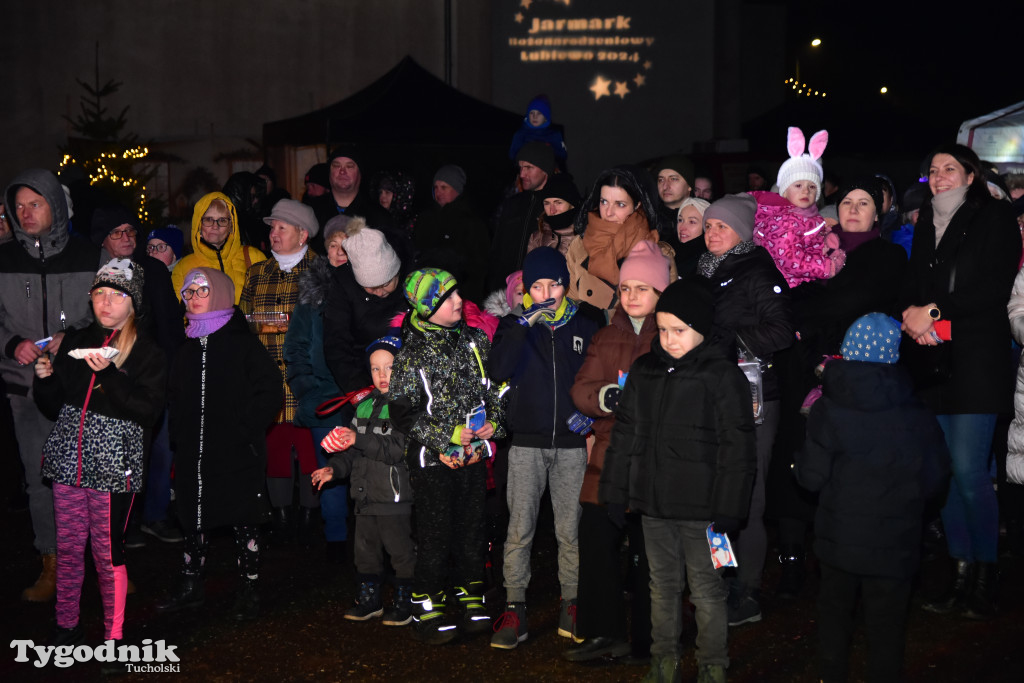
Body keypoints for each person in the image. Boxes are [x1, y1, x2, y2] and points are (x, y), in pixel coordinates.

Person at [599, 277, 756, 683]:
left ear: (701, 328)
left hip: (703, 510)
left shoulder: (722, 376)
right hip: (654, 505)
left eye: (679, 331)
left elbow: (737, 449)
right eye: (664, 329)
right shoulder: (645, 370)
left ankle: (712, 666)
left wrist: (729, 509)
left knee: (706, 590)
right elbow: (625, 435)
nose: (669, 339)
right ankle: (663, 662)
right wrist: (615, 492)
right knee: (661, 587)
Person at [769, 178, 908, 599]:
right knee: (794, 457)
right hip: (801, 370)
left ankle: (838, 563)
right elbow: (789, 297)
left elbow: (853, 300)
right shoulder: (814, 248)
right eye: (846, 200)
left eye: (863, 202)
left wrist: (806, 317)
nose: (852, 208)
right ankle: (791, 559)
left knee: (843, 467)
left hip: (855, 376)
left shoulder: (887, 255)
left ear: (877, 213)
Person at [899, 144, 1021, 620]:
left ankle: (986, 576)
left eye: (951, 168)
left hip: (976, 360)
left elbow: (991, 288)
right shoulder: (926, 220)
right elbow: (913, 284)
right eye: (933, 170)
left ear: (971, 176)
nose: (940, 176)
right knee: (945, 474)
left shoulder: (993, 219)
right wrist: (914, 317)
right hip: (932, 359)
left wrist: (933, 312)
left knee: (971, 472)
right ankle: (960, 571)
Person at [796, 313, 950, 683]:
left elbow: (811, 478)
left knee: (835, 620)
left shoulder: (828, 409)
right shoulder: (917, 413)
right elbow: (936, 477)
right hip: (895, 546)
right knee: (887, 631)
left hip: (839, 543)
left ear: (846, 353)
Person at [33, 258, 165, 649]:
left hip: (113, 465)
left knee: (108, 554)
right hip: (69, 462)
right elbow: (56, 405)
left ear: (133, 303)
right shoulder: (75, 341)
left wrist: (108, 376)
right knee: (70, 549)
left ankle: (114, 636)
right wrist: (46, 380)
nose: (106, 303)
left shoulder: (146, 350)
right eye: (99, 294)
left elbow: (147, 411)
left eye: (116, 295)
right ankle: (66, 625)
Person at [488, 247, 604, 650]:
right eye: (536, 287)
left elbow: (599, 376)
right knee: (519, 528)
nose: (546, 293)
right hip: (525, 444)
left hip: (573, 444)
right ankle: (514, 608)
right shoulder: (513, 325)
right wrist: (522, 325)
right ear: (525, 291)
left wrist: (591, 416)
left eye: (553, 284)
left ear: (565, 284)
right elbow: (498, 369)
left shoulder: (587, 321)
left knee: (570, 529)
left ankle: (571, 602)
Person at [565, 240, 671, 663]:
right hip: (607, 458)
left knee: (651, 556)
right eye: (626, 288)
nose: (631, 297)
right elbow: (581, 388)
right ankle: (601, 631)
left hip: (651, 461)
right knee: (596, 545)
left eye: (642, 289)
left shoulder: (670, 337)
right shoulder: (606, 335)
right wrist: (605, 397)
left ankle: (650, 639)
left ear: (661, 293)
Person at [387, 268, 506, 645]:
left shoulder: (474, 341)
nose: (458, 302)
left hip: (473, 458)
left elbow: (495, 389)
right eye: (446, 298)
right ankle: (427, 599)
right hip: (431, 462)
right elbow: (403, 411)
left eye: (457, 293)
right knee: (436, 532)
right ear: (424, 308)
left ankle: (470, 592)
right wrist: (445, 435)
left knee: (472, 528)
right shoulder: (410, 354)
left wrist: (495, 423)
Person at [160, 267, 282, 621]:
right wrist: (178, 438)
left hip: (236, 451)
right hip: (194, 454)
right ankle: (190, 583)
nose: (193, 299)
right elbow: (175, 395)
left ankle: (248, 588)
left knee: (243, 519)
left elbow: (270, 389)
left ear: (220, 293)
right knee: (194, 519)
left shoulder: (241, 342)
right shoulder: (186, 346)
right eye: (188, 293)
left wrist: (245, 428)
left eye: (200, 291)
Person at [1, 168, 100, 601]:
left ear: (54, 207)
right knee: (39, 477)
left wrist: (71, 338)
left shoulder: (88, 255)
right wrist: (10, 345)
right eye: (18, 206)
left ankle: (103, 563)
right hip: (25, 387)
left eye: (34, 204)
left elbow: (110, 313)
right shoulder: (2, 259)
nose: (25, 213)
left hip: (82, 383)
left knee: (93, 475)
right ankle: (52, 564)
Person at [697, 193, 794, 626]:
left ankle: (748, 591)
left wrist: (726, 339)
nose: (712, 232)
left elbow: (781, 331)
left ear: (742, 231)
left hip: (754, 398)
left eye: (722, 226)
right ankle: (720, 580)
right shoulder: (704, 271)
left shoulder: (757, 271)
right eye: (709, 225)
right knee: (717, 494)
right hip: (712, 393)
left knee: (749, 495)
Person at [91, 204, 185, 544]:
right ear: (104, 240)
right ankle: (119, 524)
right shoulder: (93, 274)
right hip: (107, 375)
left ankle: (155, 515)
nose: (127, 238)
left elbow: (171, 326)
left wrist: (172, 372)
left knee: (160, 449)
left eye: (131, 231)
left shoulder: (153, 271)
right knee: (118, 453)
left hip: (152, 376)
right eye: (118, 233)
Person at [311, 334, 415, 625]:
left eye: (389, 367)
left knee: (400, 552)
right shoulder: (364, 405)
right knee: (365, 553)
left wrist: (360, 438)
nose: (382, 375)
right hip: (365, 495)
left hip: (394, 496)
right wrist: (333, 469)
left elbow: (397, 450)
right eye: (375, 368)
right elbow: (351, 449)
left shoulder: (405, 406)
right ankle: (369, 599)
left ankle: (406, 599)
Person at [240, 199, 319, 541]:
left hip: (309, 377)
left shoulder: (321, 272)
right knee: (275, 448)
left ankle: (310, 516)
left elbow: (326, 326)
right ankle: (281, 517)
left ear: (302, 234)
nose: (272, 234)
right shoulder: (258, 272)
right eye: (271, 228)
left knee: (309, 447)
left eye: (280, 228)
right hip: (267, 375)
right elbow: (244, 321)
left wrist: (271, 324)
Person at [283, 214, 351, 560]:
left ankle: (375, 538)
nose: (340, 251)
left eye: (346, 243)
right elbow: (294, 346)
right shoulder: (312, 292)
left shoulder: (371, 288)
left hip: (365, 397)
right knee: (331, 472)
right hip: (325, 398)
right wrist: (307, 386)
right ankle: (336, 538)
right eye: (333, 244)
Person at [751, 127, 845, 288]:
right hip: (787, 287)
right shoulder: (784, 221)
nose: (806, 190)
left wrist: (826, 239)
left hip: (804, 283)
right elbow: (791, 260)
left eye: (812, 187)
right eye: (798, 185)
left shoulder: (809, 217)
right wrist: (827, 267)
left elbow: (811, 236)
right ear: (785, 192)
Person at [567, 166, 666, 310]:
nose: (608, 212)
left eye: (620, 204)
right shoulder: (580, 245)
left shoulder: (658, 251)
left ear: (637, 205)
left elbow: (663, 315)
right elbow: (571, 302)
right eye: (604, 202)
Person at [171, 192, 267, 305]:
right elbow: (177, 317)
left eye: (222, 220)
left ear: (231, 227)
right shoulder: (183, 268)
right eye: (208, 220)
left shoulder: (254, 257)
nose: (215, 226)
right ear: (199, 225)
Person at [414, 165, 489, 303]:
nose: (438, 192)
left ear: (457, 190)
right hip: (427, 295)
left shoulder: (472, 223)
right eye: (435, 187)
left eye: (444, 187)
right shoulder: (425, 219)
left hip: (460, 297)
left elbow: (479, 267)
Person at [308, 146, 400, 258]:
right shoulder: (310, 212)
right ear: (329, 172)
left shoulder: (380, 217)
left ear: (360, 174)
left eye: (349, 166)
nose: (342, 171)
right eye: (336, 166)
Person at [489, 141, 555, 291]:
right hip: (506, 294)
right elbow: (496, 253)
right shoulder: (512, 205)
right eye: (520, 168)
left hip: (539, 293)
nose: (522, 174)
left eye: (529, 168)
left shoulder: (556, 207)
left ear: (545, 169)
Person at [526, 174, 581, 259]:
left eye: (558, 202)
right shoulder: (537, 238)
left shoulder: (587, 239)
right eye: (547, 203)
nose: (552, 210)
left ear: (572, 205)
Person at [508, 94, 568, 167]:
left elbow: (563, 155)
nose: (534, 117)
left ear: (546, 117)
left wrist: (547, 149)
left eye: (539, 113)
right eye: (531, 113)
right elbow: (512, 156)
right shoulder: (521, 134)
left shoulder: (554, 135)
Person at [653, 155, 694, 251]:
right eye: (661, 180)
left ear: (689, 185)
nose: (666, 186)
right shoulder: (649, 219)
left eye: (674, 179)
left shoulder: (706, 217)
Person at [675, 197, 710, 276]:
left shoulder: (708, 263)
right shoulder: (667, 251)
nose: (682, 227)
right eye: (680, 220)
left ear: (706, 227)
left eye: (692, 222)